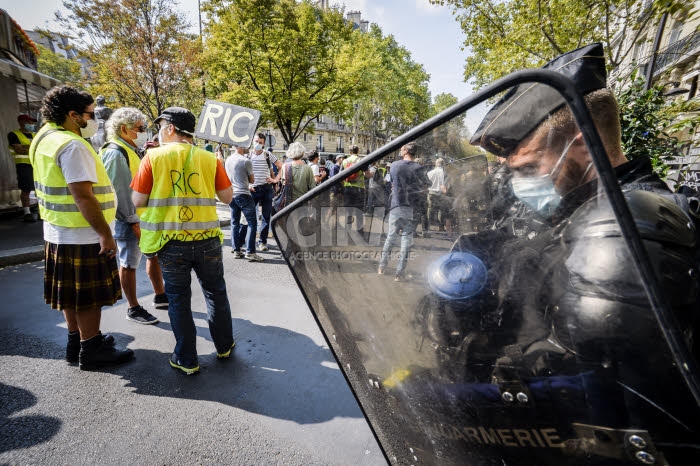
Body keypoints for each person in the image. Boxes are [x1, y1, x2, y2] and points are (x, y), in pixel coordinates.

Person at [29, 85, 133, 371]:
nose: (94, 119)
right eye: (89, 114)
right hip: (83, 232)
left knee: (72, 294)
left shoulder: (43, 138)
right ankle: (91, 350)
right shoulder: (72, 145)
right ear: (73, 115)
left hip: (58, 229)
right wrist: (105, 233)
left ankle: (78, 341)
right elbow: (83, 195)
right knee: (87, 297)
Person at [131, 107, 235, 375]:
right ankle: (224, 346)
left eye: (161, 126)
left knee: (178, 299)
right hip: (209, 240)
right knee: (216, 293)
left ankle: (186, 359)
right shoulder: (210, 159)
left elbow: (137, 201)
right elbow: (227, 197)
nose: (159, 131)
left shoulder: (153, 157)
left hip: (171, 241)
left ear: (171, 128)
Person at [100, 107, 166, 325]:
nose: (144, 132)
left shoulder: (130, 149)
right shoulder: (115, 152)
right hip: (128, 221)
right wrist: (133, 222)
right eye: (140, 128)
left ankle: (160, 295)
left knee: (152, 255)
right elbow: (120, 192)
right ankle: (133, 307)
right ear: (123, 129)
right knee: (128, 263)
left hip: (142, 217)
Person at [377, 142, 431, 281]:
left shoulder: (395, 165)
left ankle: (382, 267)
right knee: (406, 240)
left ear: (406, 151)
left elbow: (393, 184)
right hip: (412, 208)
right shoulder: (419, 168)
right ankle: (399, 273)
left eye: (401, 149)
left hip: (396, 205)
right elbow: (426, 187)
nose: (400, 151)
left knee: (391, 236)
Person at [225, 144, 263, 261]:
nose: (249, 146)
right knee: (252, 223)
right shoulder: (246, 161)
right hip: (244, 194)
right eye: (247, 144)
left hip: (232, 195)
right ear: (241, 146)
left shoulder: (228, 160)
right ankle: (250, 252)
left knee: (234, 223)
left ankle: (236, 251)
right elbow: (252, 180)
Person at [248, 132, 283, 252]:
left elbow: (281, 166)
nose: (258, 144)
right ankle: (249, 243)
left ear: (264, 144)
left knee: (266, 217)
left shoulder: (267, 154)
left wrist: (275, 179)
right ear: (253, 141)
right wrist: (247, 185)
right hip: (253, 189)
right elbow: (242, 171)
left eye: (260, 143)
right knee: (251, 217)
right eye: (256, 141)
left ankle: (262, 242)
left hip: (267, 188)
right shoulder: (247, 155)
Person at [8, 114, 38, 222]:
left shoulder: (35, 135)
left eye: (32, 122)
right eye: (29, 122)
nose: (32, 124)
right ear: (22, 122)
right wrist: (33, 147)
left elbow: (40, 147)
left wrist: (26, 147)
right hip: (23, 165)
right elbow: (18, 149)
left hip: (36, 164)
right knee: (26, 189)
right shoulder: (14, 134)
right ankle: (27, 212)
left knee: (39, 189)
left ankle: (40, 211)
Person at [341, 145, 371, 230]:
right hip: (359, 189)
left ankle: (348, 230)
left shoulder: (345, 161)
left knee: (348, 211)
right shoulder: (361, 161)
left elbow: (340, 176)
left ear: (350, 152)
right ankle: (360, 231)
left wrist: (345, 185)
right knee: (359, 211)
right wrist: (371, 174)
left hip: (348, 189)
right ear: (358, 151)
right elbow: (367, 175)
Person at [427, 158, 447, 232]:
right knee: (440, 211)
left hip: (431, 193)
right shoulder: (444, 173)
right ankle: (441, 227)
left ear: (436, 164)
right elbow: (446, 185)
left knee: (430, 210)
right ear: (443, 164)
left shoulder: (430, 172)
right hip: (440, 194)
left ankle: (427, 226)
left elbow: (426, 182)